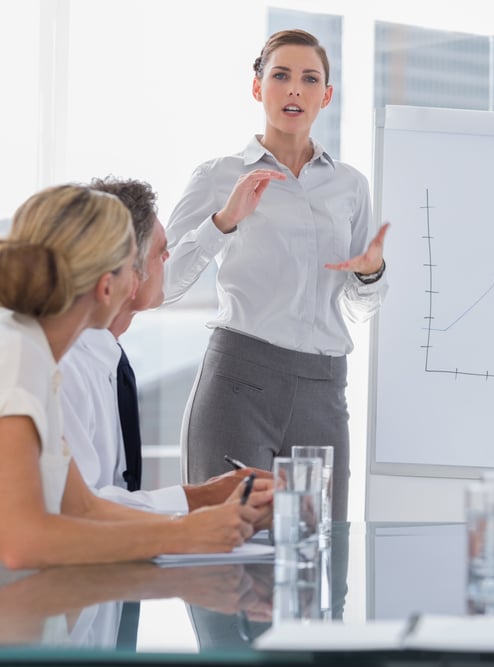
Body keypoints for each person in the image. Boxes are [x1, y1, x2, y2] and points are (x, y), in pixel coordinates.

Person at [163, 29, 389, 520]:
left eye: (310, 79)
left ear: (326, 96)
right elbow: (160, 284)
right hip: (239, 383)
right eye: (280, 75)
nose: (294, 90)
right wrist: (223, 222)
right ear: (256, 86)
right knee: (225, 555)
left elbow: (358, 307)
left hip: (323, 388)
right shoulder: (217, 175)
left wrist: (370, 274)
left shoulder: (350, 186)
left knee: (322, 556)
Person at [0, 184, 270, 569]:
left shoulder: (36, 353)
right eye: (133, 265)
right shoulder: (16, 352)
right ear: (107, 286)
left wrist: (206, 522)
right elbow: (20, 543)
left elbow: (82, 507)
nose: (141, 276)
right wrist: (184, 534)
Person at [60, 177, 268, 516]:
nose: (168, 258)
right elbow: (79, 509)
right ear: (129, 270)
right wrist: (202, 498)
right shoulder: (66, 369)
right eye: (161, 252)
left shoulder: (106, 359)